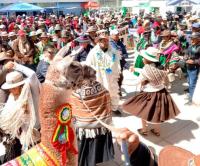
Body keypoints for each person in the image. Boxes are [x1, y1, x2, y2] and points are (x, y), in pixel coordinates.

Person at [122, 47, 180, 136]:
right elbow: (150, 73)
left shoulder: (146, 70)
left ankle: (144, 129)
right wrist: (136, 69)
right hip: (161, 92)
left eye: (143, 57)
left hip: (149, 94)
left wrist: (123, 82)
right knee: (158, 113)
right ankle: (157, 131)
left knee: (143, 112)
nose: (142, 58)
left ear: (147, 59)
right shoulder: (159, 68)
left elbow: (135, 82)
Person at [71, 65, 114, 166]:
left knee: (85, 153)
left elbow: (72, 107)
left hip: (85, 129)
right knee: (95, 150)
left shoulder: (77, 91)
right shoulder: (100, 86)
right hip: (100, 126)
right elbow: (107, 99)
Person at [0, 62, 40, 163]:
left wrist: (16, 66)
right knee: (13, 159)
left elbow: (32, 75)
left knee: (31, 161)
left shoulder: (32, 93)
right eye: (10, 88)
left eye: (14, 88)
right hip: (15, 134)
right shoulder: (11, 98)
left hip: (31, 135)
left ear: (21, 85)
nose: (11, 91)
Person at [86, 34, 121, 115]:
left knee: (113, 92)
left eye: (106, 40)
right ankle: (102, 109)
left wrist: (117, 73)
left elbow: (117, 63)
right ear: (99, 42)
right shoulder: (93, 53)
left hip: (111, 76)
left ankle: (114, 108)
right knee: (100, 94)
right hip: (99, 77)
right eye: (103, 41)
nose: (105, 42)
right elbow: (89, 65)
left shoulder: (113, 52)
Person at [109, 29, 129, 96]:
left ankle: (118, 88)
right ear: (111, 35)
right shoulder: (109, 43)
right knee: (113, 78)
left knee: (120, 77)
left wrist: (122, 55)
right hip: (112, 64)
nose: (117, 36)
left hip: (120, 62)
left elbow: (125, 53)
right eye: (116, 35)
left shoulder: (120, 43)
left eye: (118, 34)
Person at [185, 32, 200, 104]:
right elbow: (186, 53)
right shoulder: (191, 46)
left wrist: (194, 62)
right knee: (189, 81)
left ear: (198, 39)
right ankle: (191, 95)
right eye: (191, 38)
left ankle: (191, 99)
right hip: (188, 66)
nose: (192, 40)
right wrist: (185, 58)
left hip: (195, 67)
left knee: (192, 84)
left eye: (193, 38)